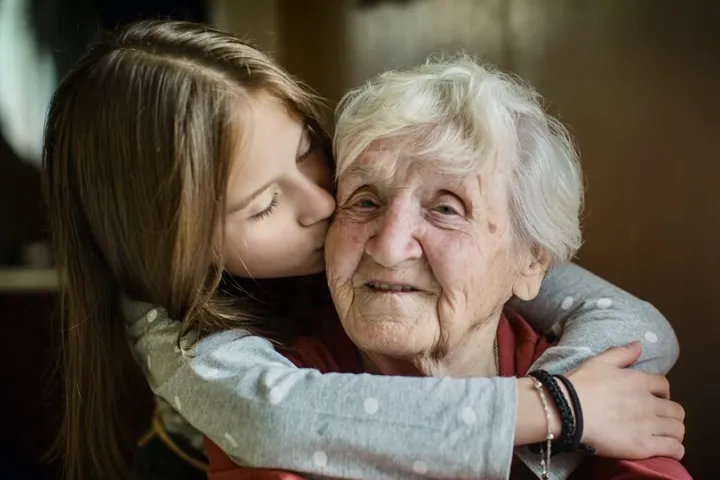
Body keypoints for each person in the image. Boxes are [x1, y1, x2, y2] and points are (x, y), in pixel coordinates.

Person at [42, 20, 683, 480]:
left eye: (307, 155)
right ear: (176, 249)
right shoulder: (180, 333)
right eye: (264, 204)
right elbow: (277, 422)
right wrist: (556, 411)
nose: (326, 206)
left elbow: (639, 329)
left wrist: (575, 412)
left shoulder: (507, 263)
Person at [204, 55, 689, 479]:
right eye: (365, 201)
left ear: (531, 261)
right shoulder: (272, 397)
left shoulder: (606, 393)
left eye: (446, 209)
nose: (390, 248)